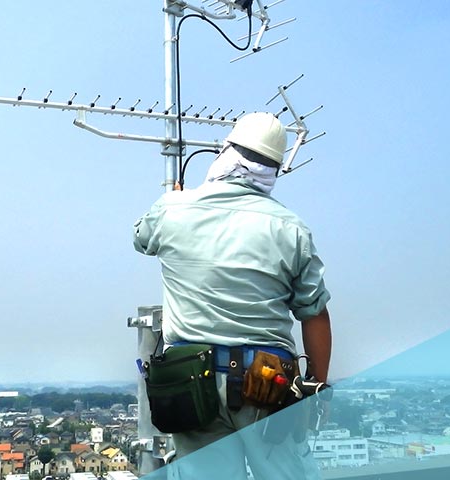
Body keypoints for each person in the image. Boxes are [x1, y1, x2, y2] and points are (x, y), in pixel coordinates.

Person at [133, 112, 332, 479]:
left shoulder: (173, 209)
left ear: (225, 153)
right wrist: (315, 385)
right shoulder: (291, 228)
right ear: (272, 170)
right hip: (268, 383)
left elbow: (141, 239)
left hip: (192, 380)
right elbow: (314, 312)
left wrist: (175, 199)